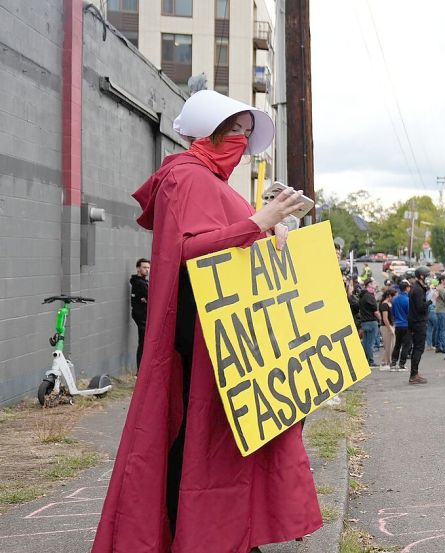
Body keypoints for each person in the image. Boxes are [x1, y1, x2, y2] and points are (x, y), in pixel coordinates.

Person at [93, 90, 321, 553]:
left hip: (228, 336)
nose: (242, 138)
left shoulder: (213, 182)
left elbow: (230, 247)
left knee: (228, 441)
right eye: (235, 128)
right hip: (200, 337)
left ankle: (228, 533)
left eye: (246, 131)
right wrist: (259, 221)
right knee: (196, 439)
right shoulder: (186, 176)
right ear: (210, 129)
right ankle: (193, 536)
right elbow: (191, 251)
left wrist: (277, 229)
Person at [408, 267, 431, 384]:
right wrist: (430, 301)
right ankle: (413, 375)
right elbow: (420, 307)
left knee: (418, 348)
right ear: (422, 276)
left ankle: (415, 372)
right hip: (418, 323)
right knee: (418, 348)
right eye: (427, 275)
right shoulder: (417, 290)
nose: (429, 277)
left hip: (417, 321)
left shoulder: (419, 288)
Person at [130, 258, 150, 371]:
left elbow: (149, 297)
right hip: (141, 316)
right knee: (143, 343)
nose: (147, 270)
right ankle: (140, 371)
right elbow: (151, 297)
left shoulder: (142, 282)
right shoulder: (139, 283)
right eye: (144, 267)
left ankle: (142, 370)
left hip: (143, 315)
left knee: (144, 343)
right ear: (138, 268)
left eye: (148, 268)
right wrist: (146, 299)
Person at [358, 278, 381, 367]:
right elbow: (375, 310)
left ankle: (365, 359)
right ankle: (370, 360)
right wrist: (380, 319)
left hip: (364, 322)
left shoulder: (362, 295)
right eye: (374, 283)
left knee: (366, 342)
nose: (375, 285)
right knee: (370, 343)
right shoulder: (370, 296)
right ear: (369, 284)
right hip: (371, 321)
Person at [391, 280, 411, 371]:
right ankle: (402, 364)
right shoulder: (407, 300)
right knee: (406, 345)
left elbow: (393, 313)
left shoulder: (395, 299)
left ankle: (393, 362)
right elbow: (409, 313)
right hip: (406, 324)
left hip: (398, 324)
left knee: (397, 344)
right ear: (406, 288)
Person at [379, 289, 396, 369]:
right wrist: (390, 328)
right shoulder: (384, 305)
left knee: (391, 345)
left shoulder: (389, 304)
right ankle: (384, 362)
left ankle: (388, 361)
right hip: (386, 327)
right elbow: (385, 319)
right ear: (389, 296)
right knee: (388, 345)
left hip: (390, 325)